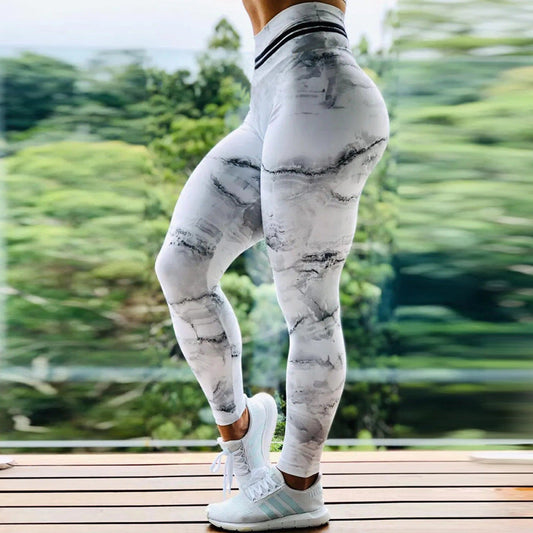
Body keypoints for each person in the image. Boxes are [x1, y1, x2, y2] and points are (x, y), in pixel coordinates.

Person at [154, 0, 390, 530]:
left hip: (323, 88)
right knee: (181, 267)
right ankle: (242, 436)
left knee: (308, 302)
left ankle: (299, 486)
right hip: (269, 90)